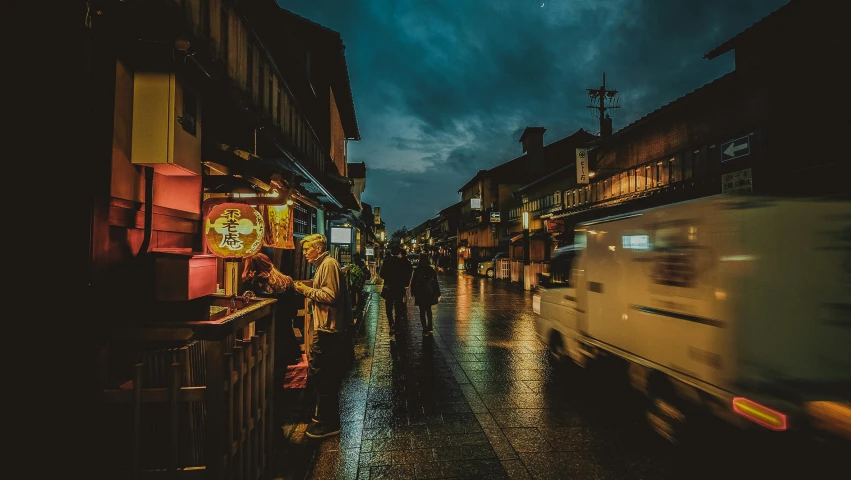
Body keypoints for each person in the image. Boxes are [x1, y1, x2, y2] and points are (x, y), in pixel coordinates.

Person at [293, 234, 352, 439]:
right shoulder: (325, 265)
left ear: (318, 248)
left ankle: (327, 422)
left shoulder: (328, 265)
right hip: (327, 327)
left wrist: (306, 291)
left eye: (308, 249)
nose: (305, 253)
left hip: (328, 328)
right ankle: (325, 419)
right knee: (324, 374)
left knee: (322, 374)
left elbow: (330, 296)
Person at [240, 252, 301, 376]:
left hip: (262, 334)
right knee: (280, 372)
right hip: (285, 334)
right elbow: (294, 310)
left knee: (262, 375)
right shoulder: (286, 280)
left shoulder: (251, 283)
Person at [379, 245, 413, 336]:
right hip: (399, 287)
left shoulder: (386, 261)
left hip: (389, 287)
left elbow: (381, 275)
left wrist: (388, 278)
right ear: (399, 252)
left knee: (388, 307)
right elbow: (409, 271)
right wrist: (405, 283)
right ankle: (397, 325)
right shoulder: (404, 262)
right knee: (398, 308)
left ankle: (391, 323)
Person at [410, 252, 441, 336]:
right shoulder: (431, 270)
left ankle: (424, 328)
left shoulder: (417, 270)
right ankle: (430, 327)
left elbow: (413, 282)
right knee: (428, 309)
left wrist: (412, 291)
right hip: (429, 292)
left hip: (420, 293)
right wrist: (438, 293)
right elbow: (435, 283)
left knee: (422, 311)